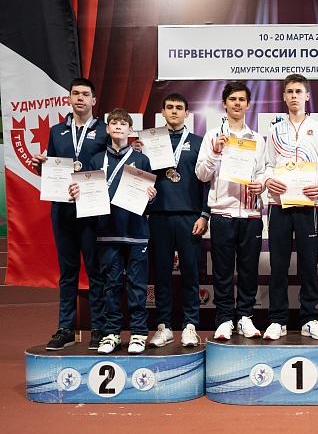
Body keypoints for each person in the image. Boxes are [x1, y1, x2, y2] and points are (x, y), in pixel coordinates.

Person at [69, 109, 157, 354]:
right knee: (111, 285)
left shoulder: (142, 160)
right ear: (107, 129)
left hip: (136, 232)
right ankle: (111, 333)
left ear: (131, 130)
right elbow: (87, 192)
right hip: (106, 232)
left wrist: (152, 196)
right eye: (114, 123)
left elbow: (151, 202)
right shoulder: (97, 160)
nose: (118, 126)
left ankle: (138, 333)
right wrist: (77, 192)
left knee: (137, 286)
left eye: (123, 123)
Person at [32, 78, 109, 351]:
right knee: (67, 272)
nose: (80, 98)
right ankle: (65, 328)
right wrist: (41, 167)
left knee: (95, 271)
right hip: (63, 209)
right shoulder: (56, 132)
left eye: (85, 94)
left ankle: (98, 328)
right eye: (75, 93)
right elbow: (53, 167)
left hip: (92, 209)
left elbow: (111, 168)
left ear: (93, 100)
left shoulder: (105, 131)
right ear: (69, 98)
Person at [263, 74, 318, 340]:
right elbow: (267, 166)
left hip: (309, 206)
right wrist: (268, 180)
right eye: (290, 92)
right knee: (278, 265)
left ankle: (309, 318)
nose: (294, 96)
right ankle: (277, 320)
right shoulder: (274, 130)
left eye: (298, 92)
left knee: (308, 265)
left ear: (307, 96)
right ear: (284, 97)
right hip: (279, 205)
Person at [195, 82, 265, 341]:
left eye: (241, 99)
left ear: (248, 104)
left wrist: (261, 184)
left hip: (250, 215)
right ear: (224, 103)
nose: (237, 103)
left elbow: (263, 172)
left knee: (248, 270)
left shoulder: (257, 139)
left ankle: (245, 317)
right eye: (232, 99)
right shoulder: (212, 136)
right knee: (223, 272)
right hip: (222, 213)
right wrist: (215, 151)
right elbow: (202, 174)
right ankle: (224, 319)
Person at [145, 94, 209, 348]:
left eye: (179, 108)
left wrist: (204, 214)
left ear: (187, 113)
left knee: (190, 274)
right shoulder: (150, 142)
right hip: (158, 215)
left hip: (189, 217)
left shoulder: (199, 142)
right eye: (169, 107)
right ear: (162, 112)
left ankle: (190, 325)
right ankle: (164, 326)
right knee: (161, 274)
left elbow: (208, 182)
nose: (174, 111)